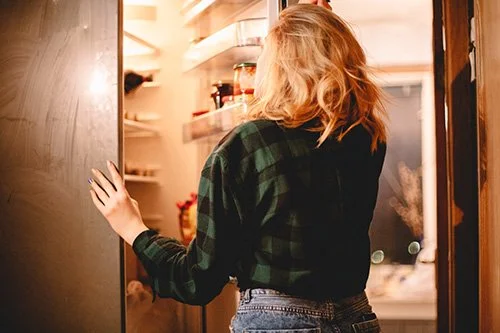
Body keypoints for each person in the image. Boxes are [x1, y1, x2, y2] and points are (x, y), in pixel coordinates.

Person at [89, 2, 387, 332]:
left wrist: (133, 228)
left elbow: (198, 279)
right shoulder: (367, 139)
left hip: (278, 322)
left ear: (276, 68)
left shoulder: (247, 145)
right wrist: (316, 23)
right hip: (357, 317)